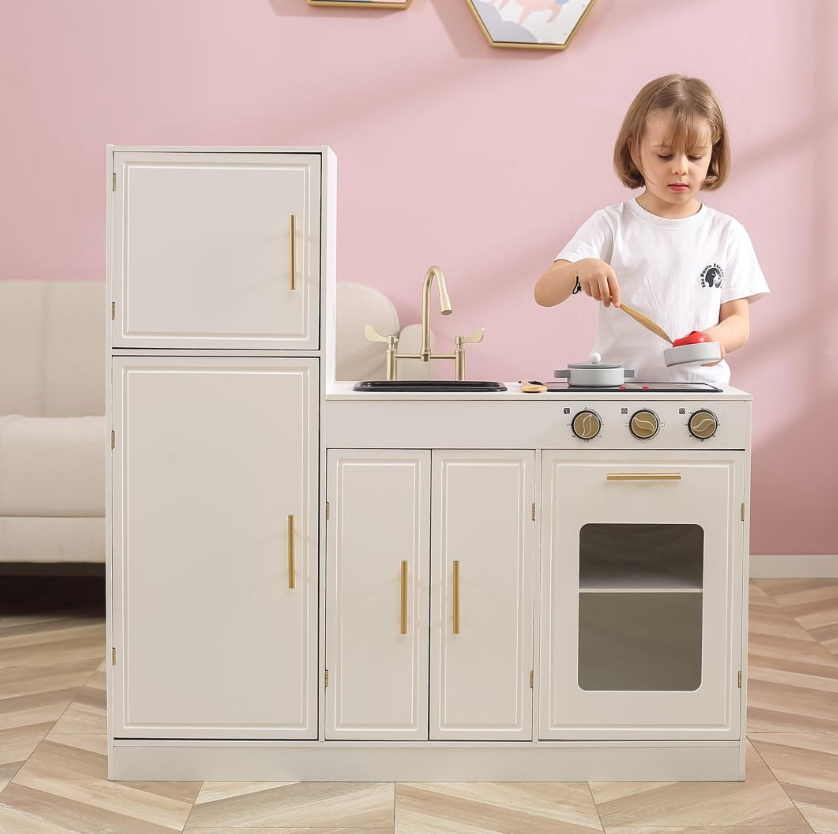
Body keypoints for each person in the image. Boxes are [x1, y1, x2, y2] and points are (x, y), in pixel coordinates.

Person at [533, 74, 770, 385]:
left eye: (696, 156)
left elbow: (739, 321)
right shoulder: (612, 224)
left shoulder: (726, 233)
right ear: (635, 151)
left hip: (701, 390)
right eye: (664, 154)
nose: (681, 168)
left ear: (713, 153)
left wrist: (712, 339)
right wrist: (580, 268)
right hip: (621, 390)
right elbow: (544, 293)